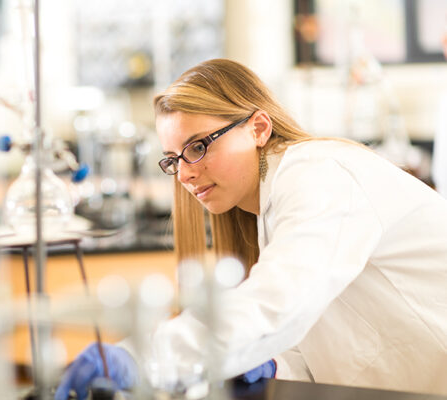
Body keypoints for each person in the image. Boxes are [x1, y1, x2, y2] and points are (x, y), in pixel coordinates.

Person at [55, 58, 447, 399]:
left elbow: (277, 304)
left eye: (197, 146)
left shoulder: (318, 173)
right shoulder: (267, 208)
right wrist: (274, 365)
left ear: (259, 128)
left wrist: (142, 355)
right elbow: (324, 336)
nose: (186, 174)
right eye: (174, 159)